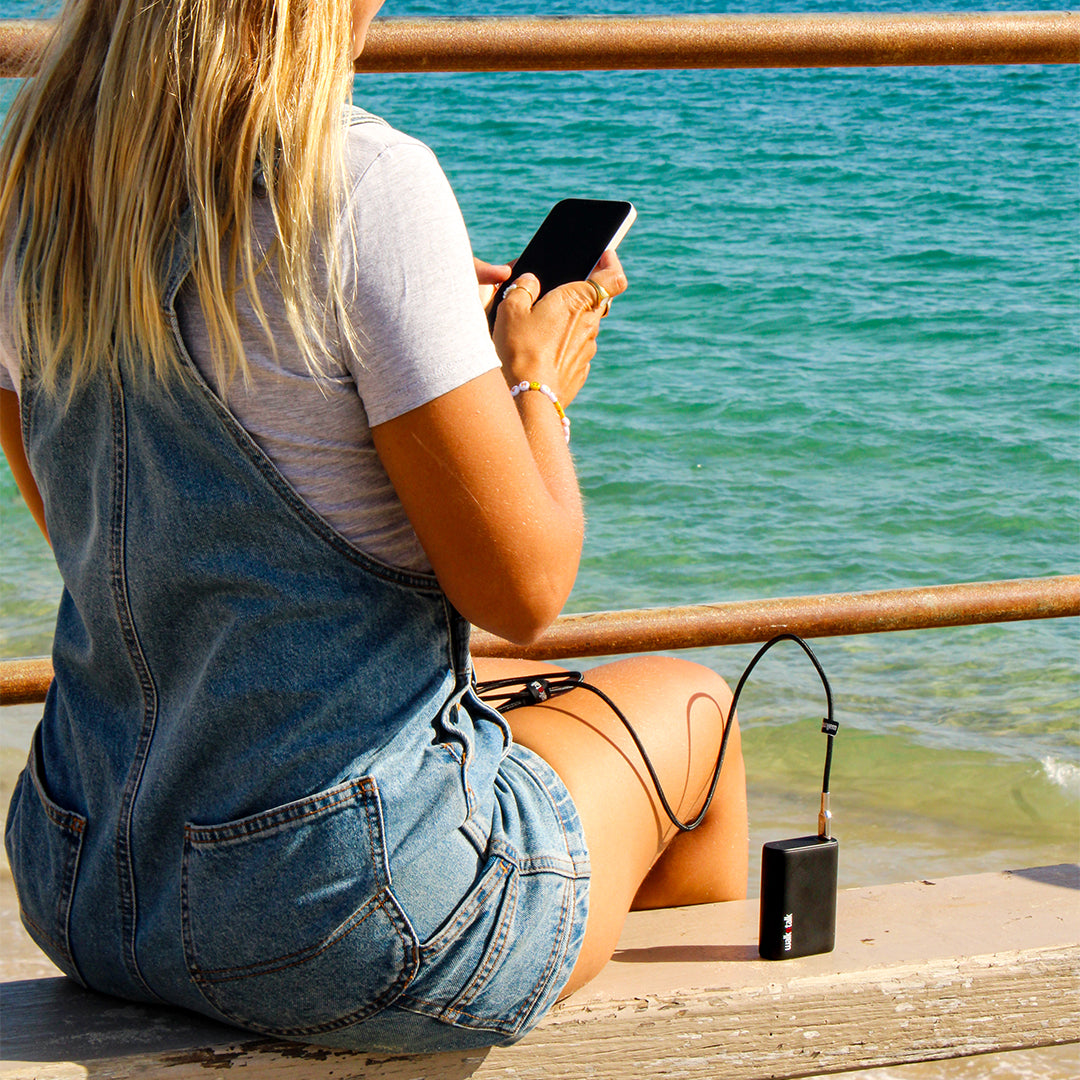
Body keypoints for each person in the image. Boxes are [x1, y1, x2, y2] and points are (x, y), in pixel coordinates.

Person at [0, 0, 747, 1053]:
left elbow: (100, 538)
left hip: (81, 885)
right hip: (338, 918)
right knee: (695, 712)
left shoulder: (31, 189)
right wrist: (532, 385)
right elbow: (524, 594)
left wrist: (423, 340)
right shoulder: (362, 181)